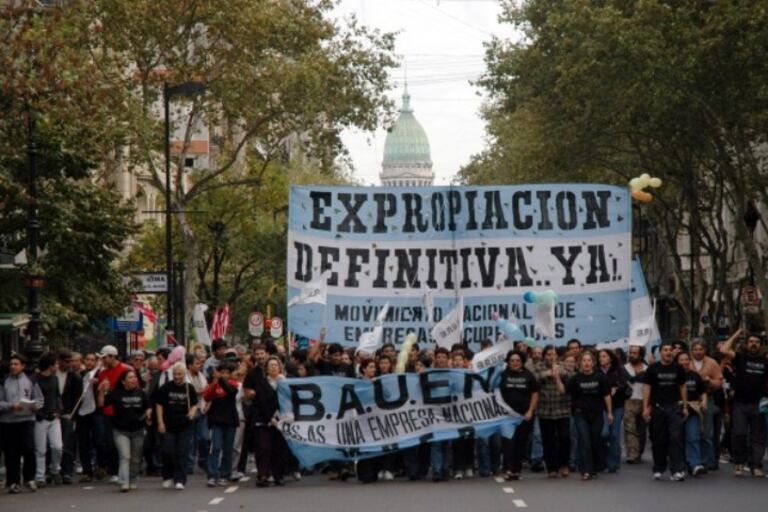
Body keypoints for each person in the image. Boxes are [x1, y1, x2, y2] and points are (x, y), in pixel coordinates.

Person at [555, 350, 612, 481]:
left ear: (593, 363)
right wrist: (557, 379)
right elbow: (564, 391)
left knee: (595, 440)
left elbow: (607, 396)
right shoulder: (575, 378)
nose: (586, 363)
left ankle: (593, 469)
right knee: (584, 440)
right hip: (580, 414)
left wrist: (609, 413)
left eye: (589, 360)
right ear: (579, 363)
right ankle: (585, 470)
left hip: (597, 414)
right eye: (584, 361)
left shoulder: (600, 378)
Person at [719, 328, 767, 477]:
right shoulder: (740, 357)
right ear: (746, 344)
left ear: (761, 345)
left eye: (757, 342)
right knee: (738, 434)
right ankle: (739, 463)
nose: (753, 344)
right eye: (751, 342)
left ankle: (756, 466)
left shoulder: (765, 361)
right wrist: (736, 334)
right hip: (739, 403)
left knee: (757, 437)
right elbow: (723, 350)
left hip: (759, 405)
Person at [98, 370, 151, 492]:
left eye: (134, 377)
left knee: (136, 458)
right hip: (120, 430)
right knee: (124, 456)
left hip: (138, 430)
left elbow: (148, 407)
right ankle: (123, 482)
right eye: (130, 378)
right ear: (123, 381)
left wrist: (148, 412)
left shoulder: (141, 393)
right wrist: (101, 390)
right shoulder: (116, 394)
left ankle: (132, 479)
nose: (133, 380)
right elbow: (101, 404)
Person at [643, 341, 688, 481]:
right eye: (665, 350)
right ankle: (658, 468)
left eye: (670, 350)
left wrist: (685, 406)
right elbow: (647, 388)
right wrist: (645, 408)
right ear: (660, 352)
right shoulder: (652, 369)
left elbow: (682, 387)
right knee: (659, 439)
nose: (668, 352)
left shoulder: (678, 368)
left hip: (674, 407)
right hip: (658, 408)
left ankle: (677, 470)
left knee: (676, 438)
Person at [0, 354, 43, 493]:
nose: (13, 366)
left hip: (26, 420)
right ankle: (13, 481)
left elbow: (39, 399)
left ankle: (30, 479)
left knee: (29, 448)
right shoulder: (4, 382)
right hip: (9, 421)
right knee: (11, 452)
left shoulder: (31, 381)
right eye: (11, 364)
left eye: (16, 364)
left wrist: (35, 406)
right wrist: (11, 406)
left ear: (23, 366)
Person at [157, 362, 198, 490]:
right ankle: (168, 476)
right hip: (168, 424)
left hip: (184, 425)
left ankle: (180, 479)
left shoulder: (189, 388)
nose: (176, 376)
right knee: (168, 451)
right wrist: (160, 422)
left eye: (179, 374)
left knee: (182, 452)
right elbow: (159, 405)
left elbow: (194, 404)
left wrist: (192, 412)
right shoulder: (166, 388)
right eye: (174, 374)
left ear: (184, 374)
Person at [500, 350, 540, 481]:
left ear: (522, 362)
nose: (515, 363)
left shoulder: (529, 375)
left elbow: (535, 393)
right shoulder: (503, 375)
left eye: (517, 361)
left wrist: (530, 411)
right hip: (507, 415)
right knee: (508, 442)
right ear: (508, 362)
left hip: (524, 415)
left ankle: (516, 470)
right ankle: (508, 470)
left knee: (520, 443)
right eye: (512, 361)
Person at [533, 345, 572, 478]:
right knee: (548, 440)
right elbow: (533, 379)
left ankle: (564, 465)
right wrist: (546, 374)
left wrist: (559, 373)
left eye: (553, 354)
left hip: (562, 408)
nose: (551, 357)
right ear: (544, 356)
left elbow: (571, 376)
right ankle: (552, 467)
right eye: (549, 354)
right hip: (545, 410)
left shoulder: (562, 365)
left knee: (564, 438)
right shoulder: (538, 366)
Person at [94, 345, 131, 483]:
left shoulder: (125, 370)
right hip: (107, 412)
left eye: (104, 358)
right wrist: (101, 390)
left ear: (112, 357)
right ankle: (114, 470)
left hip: (122, 411)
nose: (102, 361)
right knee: (108, 442)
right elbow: (100, 401)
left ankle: (124, 471)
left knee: (122, 443)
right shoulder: (102, 373)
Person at [253, 356, 289, 487]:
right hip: (264, 421)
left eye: (276, 365)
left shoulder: (285, 383)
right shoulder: (261, 383)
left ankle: (279, 476)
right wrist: (270, 418)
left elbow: (289, 401)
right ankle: (263, 475)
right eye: (271, 365)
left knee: (279, 449)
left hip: (281, 421)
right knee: (264, 448)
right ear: (266, 369)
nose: (274, 367)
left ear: (280, 367)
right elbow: (261, 403)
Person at [204, 362, 239, 487]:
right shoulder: (215, 385)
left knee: (227, 449)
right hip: (217, 421)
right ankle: (213, 475)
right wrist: (213, 384)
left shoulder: (233, 384)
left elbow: (230, 392)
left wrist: (221, 380)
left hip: (230, 421)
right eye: (222, 372)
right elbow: (207, 397)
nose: (224, 375)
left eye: (226, 373)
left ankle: (225, 474)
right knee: (216, 447)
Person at [690, 340, 723, 471]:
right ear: (692, 351)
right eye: (695, 349)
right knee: (692, 432)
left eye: (700, 349)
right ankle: (693, 460)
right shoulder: (687, 362)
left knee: (707, 432)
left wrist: (710, 381)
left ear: (705, 350)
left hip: (708, 398)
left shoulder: (712, 363)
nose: (698, 352)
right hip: (690, 399)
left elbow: (720, 382)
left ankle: (707, 461)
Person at [32, 352, 64, 487]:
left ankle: (54, 469)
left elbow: (57, 396)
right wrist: (39, 413)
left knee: (58, 446)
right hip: (40, 418)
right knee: (41, 449)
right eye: (55, 364)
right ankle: (40, 476)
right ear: (50, 366)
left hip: (54, 417)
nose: (57, 366)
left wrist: (58, 410)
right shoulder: (34, 380)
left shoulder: (54, 379)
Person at [676, 351, 707, 476]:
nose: (684, 362)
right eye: (681, 360)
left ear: (690, 361)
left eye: (686, 360)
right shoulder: (674, 375)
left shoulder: (695, 375)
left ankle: (695, 464)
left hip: (693, 409)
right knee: (678, 438)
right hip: (677, 410)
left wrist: (704, 401)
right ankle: (680, 465)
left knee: (693, 437)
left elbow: (703, 391)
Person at [598, 348, 629, 473]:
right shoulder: (597, 371)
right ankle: (603, 459)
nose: (601, 359)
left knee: (614, 435)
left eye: (604, 356)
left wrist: (617, 388)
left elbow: (626, 384)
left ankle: (613, 463)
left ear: (610, 358)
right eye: (600, 356)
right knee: (604, 433)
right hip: (601, 407)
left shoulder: (619, 369)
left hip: (617, 406)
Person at [56, 349, 83, 485]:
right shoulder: (53, 375)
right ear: (59, 361)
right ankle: (53, 470)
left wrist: (72, 415)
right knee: (54, 445)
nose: (70, 364)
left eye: (72, 361)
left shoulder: (75, 377)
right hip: (54, 414)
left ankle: (67, 472)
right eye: (67, 361)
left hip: (68, 414)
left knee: (68, 444)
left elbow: (78, 398)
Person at [430, 347, 453, 482]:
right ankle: (437, 470)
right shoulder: (430, 374)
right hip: (434, 411)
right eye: (439, 357)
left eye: (444, 357)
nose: (441, 360)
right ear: (435, 359)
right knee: (436, 443)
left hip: (449, 412)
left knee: (447, 442)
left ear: (447, 359)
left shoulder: (453, 374)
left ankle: (445, 469)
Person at [623, 345, 647, 464]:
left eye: (635, 353)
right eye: (631, 352)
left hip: (644, 401)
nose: (632, 355)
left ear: (641, 355)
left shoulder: (647, 369)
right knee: (630, 428)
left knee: (641, 429)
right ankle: (632, 453)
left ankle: (639, 451)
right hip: (629, 401)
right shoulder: (624, 368)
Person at [185, 354, 209, 474]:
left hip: (202, 410)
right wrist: (200, 392)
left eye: (200, 363)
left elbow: (207, 392)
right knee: (190, 440)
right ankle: (189, 465)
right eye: (197, 363)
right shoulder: (185, 377)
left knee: (204, 438)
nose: (200, 365)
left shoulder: (202, 376)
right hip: (190, 411)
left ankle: (203, 461)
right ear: (189, 365)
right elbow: (189, 392)